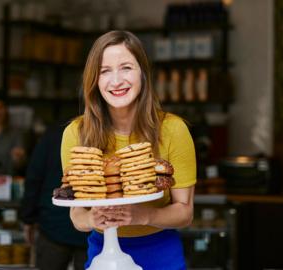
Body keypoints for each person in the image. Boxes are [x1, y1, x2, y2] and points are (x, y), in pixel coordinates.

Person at [61, 31, 196, 270]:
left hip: (161, 254)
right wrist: (92, 218)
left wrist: (141, 215)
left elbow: (185, 212)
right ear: (94, 79)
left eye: (126, 68)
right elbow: (76, 215)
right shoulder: (77, 133)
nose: (116, 81)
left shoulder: (173, 130)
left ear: (143, 74)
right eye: (105, 71)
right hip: (104, 253)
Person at [20, 123, 88, 270]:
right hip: (89, 231)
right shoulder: (105, 135)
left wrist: (28, 219)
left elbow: (34, 178)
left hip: (53, 227)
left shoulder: (52, 135)